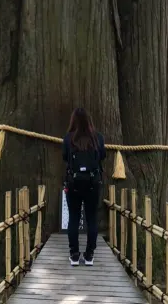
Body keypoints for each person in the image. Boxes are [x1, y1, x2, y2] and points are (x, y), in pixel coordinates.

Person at [63, 107, 106, 266]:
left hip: (73, 183)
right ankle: (89, 255)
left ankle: (74, 255)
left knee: (74, 218)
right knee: (92, 218)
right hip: (93, 183)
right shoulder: (98, 138)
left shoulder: (68, 139)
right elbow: (102, 156)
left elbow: (64, 157)